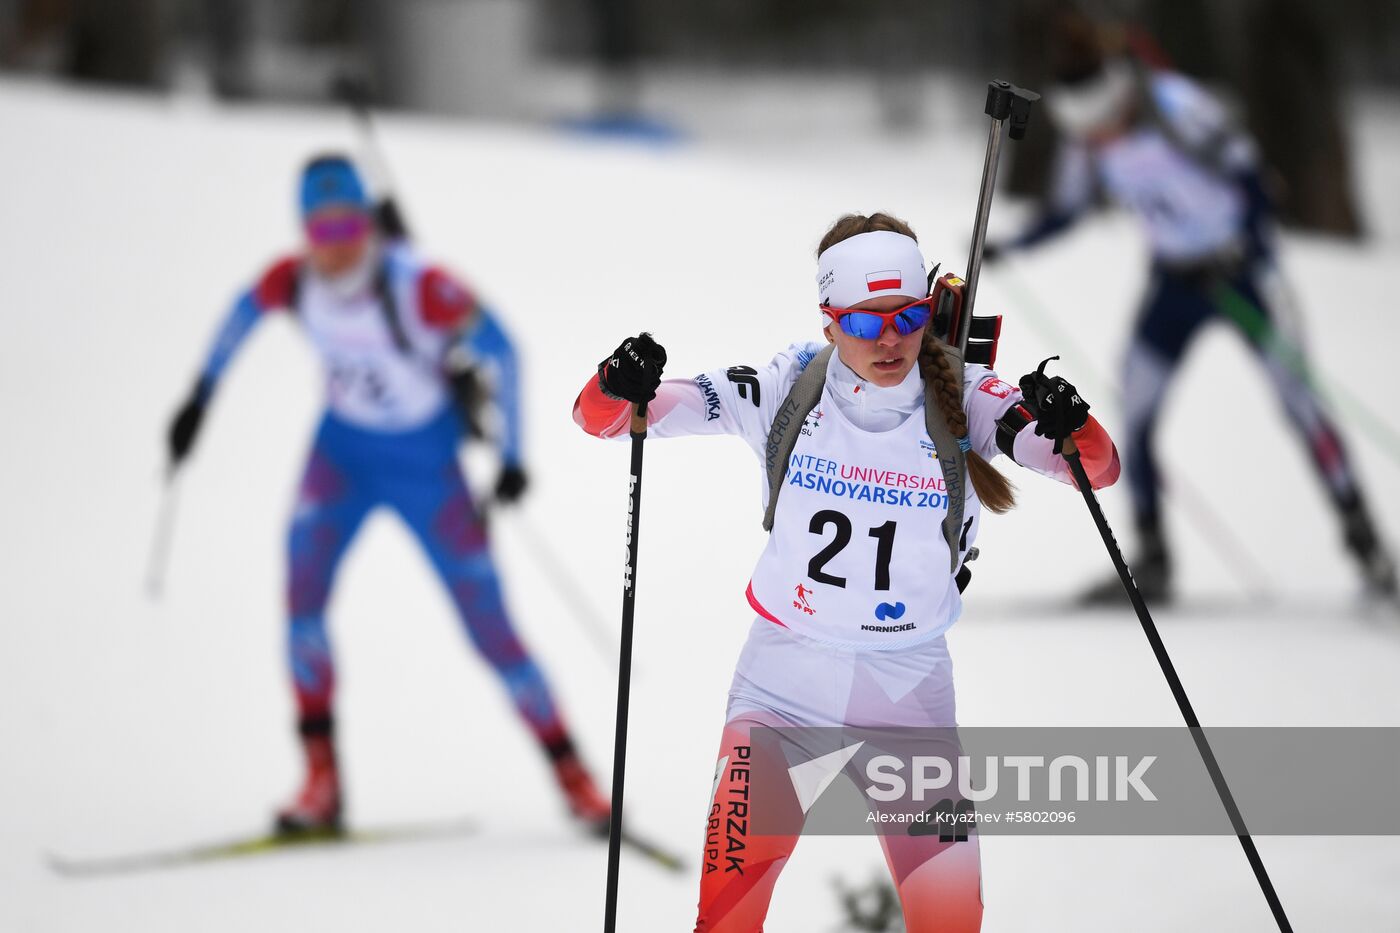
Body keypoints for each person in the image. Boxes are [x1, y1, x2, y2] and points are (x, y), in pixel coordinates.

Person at [573, 213, 1121, 931]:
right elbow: (605, 418)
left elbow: (1095, 470)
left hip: (910, 696)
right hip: (781, 692)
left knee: (950, 923)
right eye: (866, 323)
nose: (890, 339)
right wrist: (620, 380)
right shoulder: (785, 387)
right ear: (830, 322)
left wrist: (1068, 420)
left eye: (909, 317)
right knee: (727, 921)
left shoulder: (968, 393)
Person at [166, 154, 610, 834]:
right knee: (301, 600)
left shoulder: (419, 286)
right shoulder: (295, 282)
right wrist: (199, 396)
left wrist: (515, 456)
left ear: (368, 223)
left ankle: (576, 778)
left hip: (427, 467)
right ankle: (321, 783)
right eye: (320, 228)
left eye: (348, 223)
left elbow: (505, 349)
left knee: (489, 627)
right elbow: (238, 313)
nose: (335, 243)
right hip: (340, 456)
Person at [985, 16, 1396, 604]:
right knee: (1137, 408)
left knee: (1301, 405)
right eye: (1092, 133)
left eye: (1109, 126)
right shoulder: (1088, 136)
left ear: (1121, 95)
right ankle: (1152, 558)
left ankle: (1368, 545)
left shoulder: (1178, 108)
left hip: (1241, 279)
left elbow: (1256, 183)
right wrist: (1012, 246)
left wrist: (1246, 250)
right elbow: (1068, 209)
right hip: (1174, 284)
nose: (1103, 140)